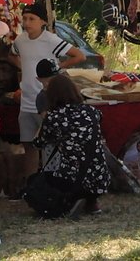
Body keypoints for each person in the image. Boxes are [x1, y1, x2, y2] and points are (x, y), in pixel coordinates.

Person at [9, 4, 86, 177]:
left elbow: (79, 55)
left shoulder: (50, 40)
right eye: (25, 18)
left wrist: (58, 67)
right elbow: (11, 54)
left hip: (45, 100)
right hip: (26, 101)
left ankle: (52, 179)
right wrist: (23, 67)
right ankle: (31, 182)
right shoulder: (21, 40)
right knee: (28, 144)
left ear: (43, 21)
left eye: (32, 19)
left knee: (49, 144)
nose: (27, 22)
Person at [35, 74, 110, 218]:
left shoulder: (54, 117)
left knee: (48, 177)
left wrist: (41, 127)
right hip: (100, 177)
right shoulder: (92, 112)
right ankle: (91, 201)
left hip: (72, 178)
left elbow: (39, 143)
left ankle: (71, 199)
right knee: (85, 166)